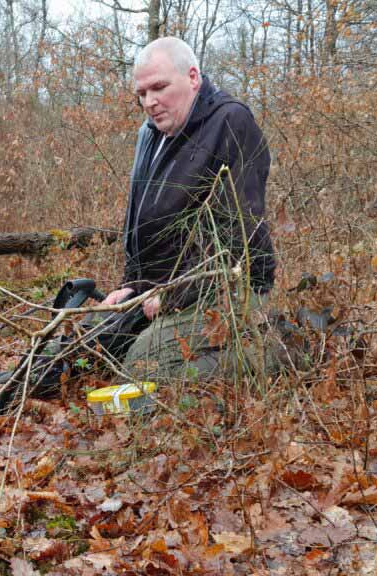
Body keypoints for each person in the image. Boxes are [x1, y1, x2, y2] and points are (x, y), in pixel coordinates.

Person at [100, 37, 277, 383]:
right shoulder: (149, 134)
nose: (149, 102)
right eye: (141, 94)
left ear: (193, 78)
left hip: (229, 290)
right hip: (161, 289)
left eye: (159, 87)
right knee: (94, 336)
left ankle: (281, 348)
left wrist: (174, 295)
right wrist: (131, 286)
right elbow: (142, 226)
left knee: (143, 366)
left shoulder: (230, 122)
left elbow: (237, 238)